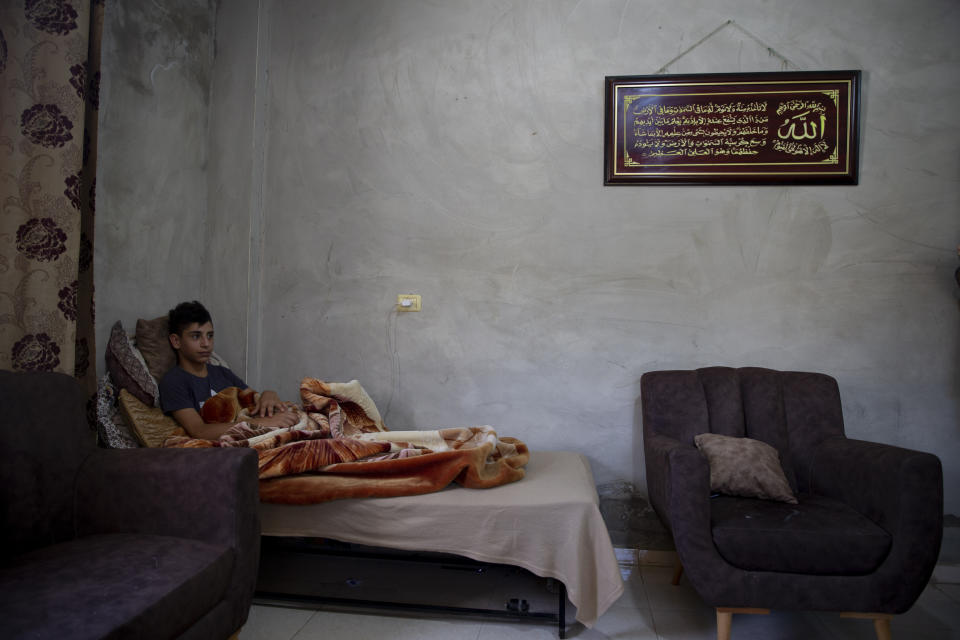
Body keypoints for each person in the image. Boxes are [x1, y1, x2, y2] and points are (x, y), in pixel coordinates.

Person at [159, 300, 299, 439]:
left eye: (210, 335)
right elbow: (199, 431)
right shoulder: (173, 381)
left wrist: (269, 394)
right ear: (176, 341)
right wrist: (262, 424)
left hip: (254, 433)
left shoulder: (222, 373)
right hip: (226, 447)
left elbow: (251, 400)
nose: (206, 344)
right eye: (196, 336)